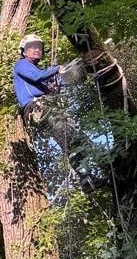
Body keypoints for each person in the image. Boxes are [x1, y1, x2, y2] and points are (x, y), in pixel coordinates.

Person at [13, 34, 86, 165]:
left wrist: (76, 71)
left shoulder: (40, 73)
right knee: (68, 132)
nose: (36, 50)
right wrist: (57, 69)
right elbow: (37, 76)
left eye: (39, 47)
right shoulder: (21, 64)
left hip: (45, 109)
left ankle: (84, 174)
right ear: (23, 51)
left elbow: (54, 83)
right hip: (37, 108)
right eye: (32, 47)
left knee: (69, 139)